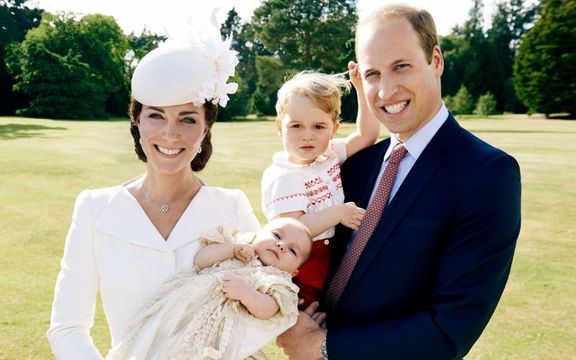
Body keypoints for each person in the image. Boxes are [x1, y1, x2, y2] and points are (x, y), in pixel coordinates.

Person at [277, 4, 522, 359]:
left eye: (401, 66)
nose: (386, 90)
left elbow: (448, 329)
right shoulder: (355, 165)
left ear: (435, 60)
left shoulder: (486, 174)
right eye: (373, 73)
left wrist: (321, 346)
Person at [47, 23, 261, 359]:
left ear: (206, 127)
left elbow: (264, 308)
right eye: (156, 116)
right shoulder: (94, 209)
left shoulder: (231, 207)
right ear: (137, 121)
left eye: (188, 119)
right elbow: (67, 327)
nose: (170, 134)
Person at [105, 218, 312, 360]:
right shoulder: (238, 245)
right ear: (258, 234)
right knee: (159, 341)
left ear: (294, 272)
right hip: (185, 309)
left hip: (218, 331)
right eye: (277, 235)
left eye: (292, 250)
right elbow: (201, 260)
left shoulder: (278, 281)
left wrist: (246, 293)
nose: (282, 245)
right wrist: (231, 249)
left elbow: (269, 309)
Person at [261, 71, 380, 308]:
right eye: (296, 126)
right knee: (309, 316)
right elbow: (293, 230)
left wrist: (361, 91)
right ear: (279, 127)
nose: (307, 135)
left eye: (318, 126)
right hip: (301, 263)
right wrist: (338, 214)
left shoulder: (329, 154)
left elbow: (367, 136)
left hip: (331, 253)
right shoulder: (283, 176)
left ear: (333, 129)